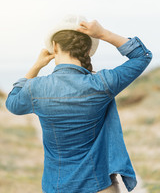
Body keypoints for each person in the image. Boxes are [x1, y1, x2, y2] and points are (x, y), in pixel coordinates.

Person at [5, 15, 152, 193]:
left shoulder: (36, 88)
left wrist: (37, 65)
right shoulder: (102, 83)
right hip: (99, 185)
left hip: (57, 187)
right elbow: (142, 56)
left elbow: (12, 103)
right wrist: (104, 34)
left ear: (55, 47)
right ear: (88, 50)